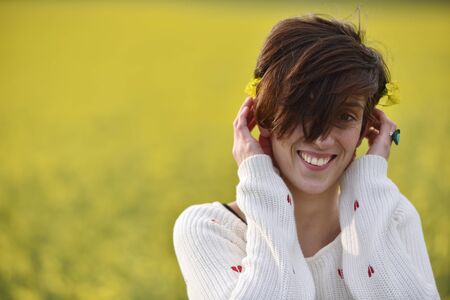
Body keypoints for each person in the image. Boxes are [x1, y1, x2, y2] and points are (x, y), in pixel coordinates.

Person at [173, 13, 440, 299]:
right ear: (262, 117)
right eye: (303, 110)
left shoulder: (394, 217)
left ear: (367, 128)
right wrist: (260, 181)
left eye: (345, 116)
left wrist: (367, 185)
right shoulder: (211, 229)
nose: (322, 138)